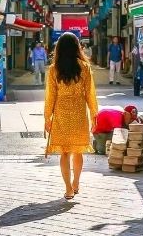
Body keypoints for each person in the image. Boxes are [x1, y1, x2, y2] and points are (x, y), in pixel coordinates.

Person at [44, 32, 98, 200]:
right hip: (79, 112)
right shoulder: (84, 67)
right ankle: (76, 183)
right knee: (78, 151)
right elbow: (90, 93)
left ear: (59, 48)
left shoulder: (54, 69)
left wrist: (47, 118)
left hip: (61, 113)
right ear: (77, 47)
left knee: (65, 153)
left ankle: (68, 188)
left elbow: (50, 95)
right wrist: (94, 116)